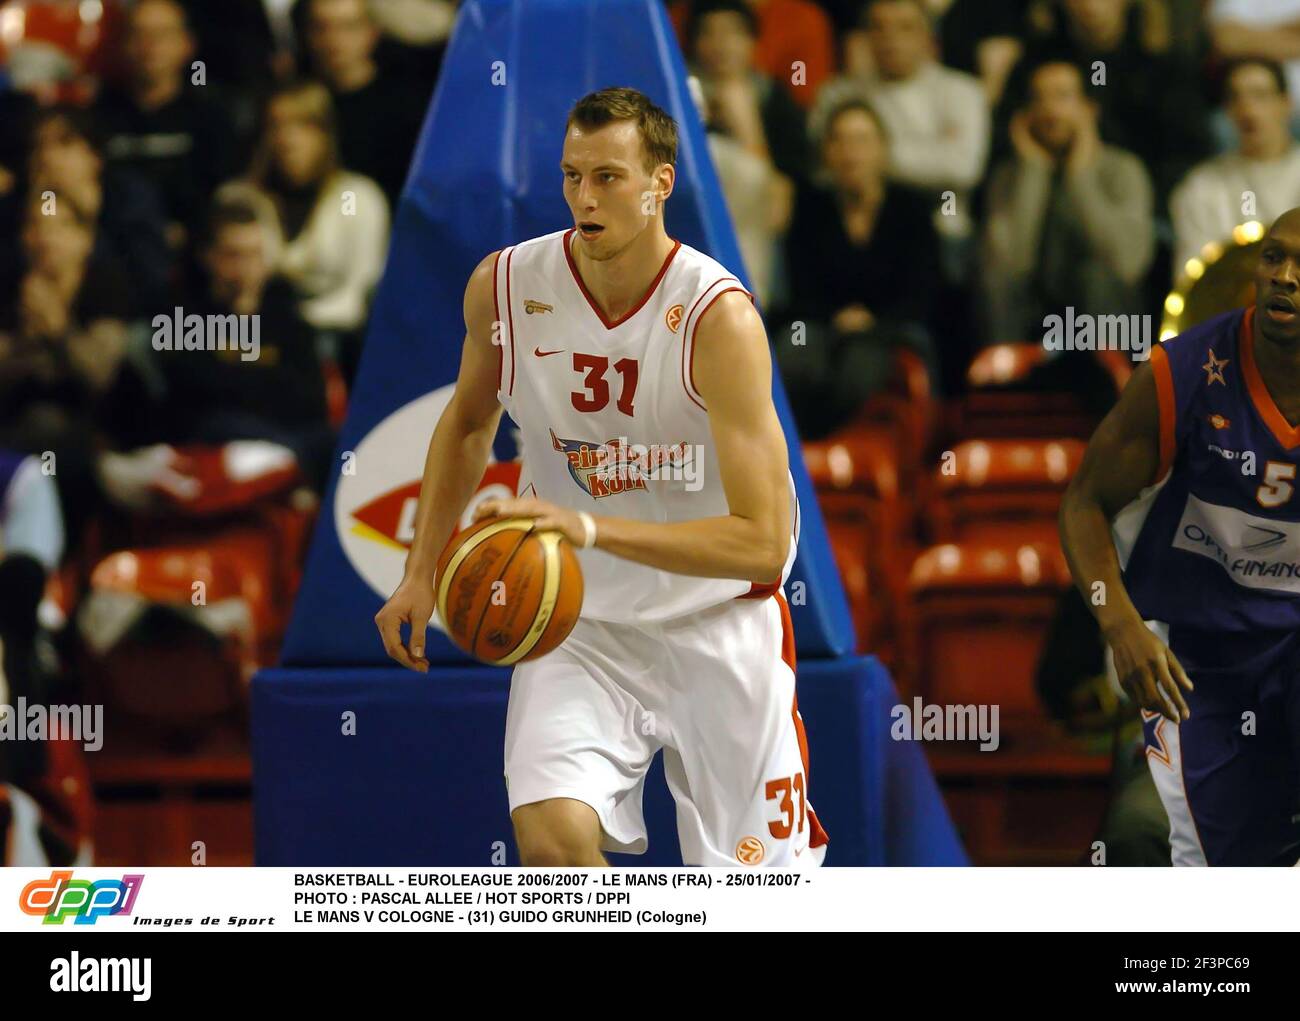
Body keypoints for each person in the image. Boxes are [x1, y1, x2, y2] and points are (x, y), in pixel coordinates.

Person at [373, 86, 827, 868]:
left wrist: (590, 527)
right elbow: (470, 419)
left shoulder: (720, 318)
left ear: (660, 183)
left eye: (608, 177)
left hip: (717, 623)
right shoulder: (507, 286)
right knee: (552, 844)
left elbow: (761, 545)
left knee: (759, 898)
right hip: (578, 622)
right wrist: (420, 570)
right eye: (571, 175)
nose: (585, 196)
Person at [1059, 208, 1300, 866]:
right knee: (1198, 855)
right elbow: (1083, 503)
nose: (1284, 277)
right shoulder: (1185, 370)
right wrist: (1120, 625)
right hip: (1200, 655)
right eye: (1274, 258)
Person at [776, 98, 941, 436]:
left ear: (882, 150)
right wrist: (837, 318)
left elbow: (923, 292)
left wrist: (873, 321)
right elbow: (800, 287)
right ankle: (801, 459)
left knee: (858, 368)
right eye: (840, 140)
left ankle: (835, 456)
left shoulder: (912, 211)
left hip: (892, 326)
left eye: (862, 141)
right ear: (827, 152)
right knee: (794, 356)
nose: (851, 152)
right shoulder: (811, 207)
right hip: (824, 323)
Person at [981, 59, 1153, 355]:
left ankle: (1106, 382)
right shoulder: (1009, 176)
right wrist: (1033, 170)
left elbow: (1126, 264)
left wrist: (1079, 174)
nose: (1049, 109)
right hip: (1034, 315)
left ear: (1089, 109)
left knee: (1096, 277)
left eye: (1061, 96)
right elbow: (1008, 266)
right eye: (1039, 98)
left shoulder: (1123, 168)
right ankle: (1003, 385)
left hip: (1109, 317)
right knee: (994, 277)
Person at [1170, 58, 1300, 275]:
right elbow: (1192, 279)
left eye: (1260, 95)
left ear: (1286, 104)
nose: (1247, 109)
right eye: (1236, 98)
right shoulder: (1201, 187)